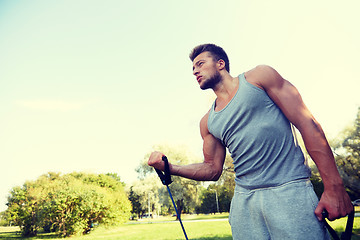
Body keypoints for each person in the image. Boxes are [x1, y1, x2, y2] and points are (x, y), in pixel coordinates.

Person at [148, 44, 353, 239]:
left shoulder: (259, 77)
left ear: (221, 63)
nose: (194, 71)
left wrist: (333, 186)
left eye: (200, 64)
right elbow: (212, 169)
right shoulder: (208, 122)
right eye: (192, 68)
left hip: (289, 190)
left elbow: (307, 123)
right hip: (245, 203)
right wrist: (169, 167)